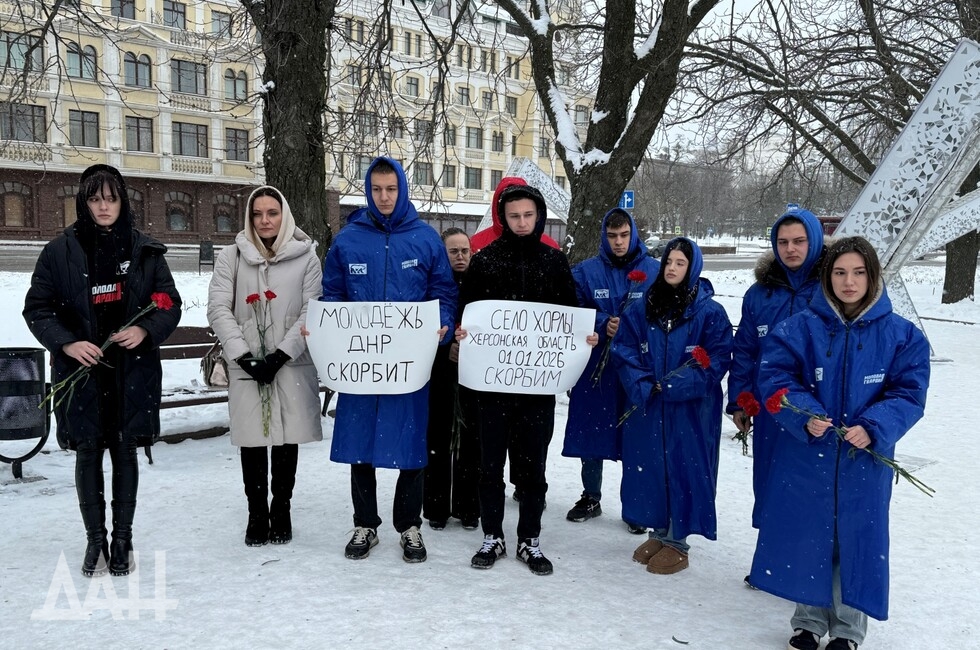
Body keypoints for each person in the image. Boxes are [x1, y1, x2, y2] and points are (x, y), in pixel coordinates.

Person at [751, 237, 929, 650]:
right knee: (809, 534)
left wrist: (874, 427)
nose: (849, 282)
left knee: (855, 538)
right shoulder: (797, 329)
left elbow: (909, 393)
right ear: (827, 277)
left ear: (873, 275)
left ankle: (848, 628)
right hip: (808, 453)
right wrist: (804, 413)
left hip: (862, 458)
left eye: (859, 272)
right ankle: (808, 620)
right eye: (840, 272)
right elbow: (775, 377)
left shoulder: (901, 335)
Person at [23, 164, 181, 577]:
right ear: (84, 202)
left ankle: (122, 538)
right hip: (82, 371)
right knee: (88, 452)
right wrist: (67, 343)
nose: (104, 207)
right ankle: (95, 539)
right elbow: (37, 308)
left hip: (130, 371)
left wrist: (144, 330)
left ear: (122, 201)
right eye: (95, 199)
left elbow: (169, 304)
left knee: (125, 450)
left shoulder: (144, 250)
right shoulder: (60, 251)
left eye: (111, 199)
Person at [321, 157, 457, 563]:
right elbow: (333, 295)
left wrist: (442, 324)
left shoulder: (425, 239)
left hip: (408, 365)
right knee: (359, 443)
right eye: (377, 189)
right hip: (362, 364)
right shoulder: (348, 240)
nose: (384, 197)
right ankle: (365, 523)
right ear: (368, 190)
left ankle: (409, 525)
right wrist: (328, 330)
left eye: (391, 189)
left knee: (411, 444)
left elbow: (443, 292)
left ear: (402, 188)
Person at [456, 183, 596, 576]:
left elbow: (569, 314)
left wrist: (582, 338)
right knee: (489, 467)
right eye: (514, 216)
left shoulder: (554, 262)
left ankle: (529, 539)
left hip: (536, 386)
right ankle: (492, 535)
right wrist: (462, 332)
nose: (521, 222)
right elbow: (466, 311)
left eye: (528, 215)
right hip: (491, 386)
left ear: (539, 217)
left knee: (533, 468)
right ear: (503, 218)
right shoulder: (485, 261)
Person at [207, 186, 323, 547]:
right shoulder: (232, 257)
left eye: (272, 213)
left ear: (283, 215)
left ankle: (281, 507)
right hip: (247, 363)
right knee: (253, 440)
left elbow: (312, 309)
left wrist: (281, 354)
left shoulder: (307, 258)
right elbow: (219, 308)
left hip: (290, 363)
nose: (264, 221)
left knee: (287, 438)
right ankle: (256, 512)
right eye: (257, 214)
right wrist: (244, 355)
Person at [610, 237, 733, 575]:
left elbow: (717, 359)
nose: (672, 268)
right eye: (668, 262)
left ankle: (678, 541)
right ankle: (659, 531)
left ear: (693, 268)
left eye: (681, 263)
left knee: (684, 467)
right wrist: (643, 383)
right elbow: (624, 349)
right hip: (650, 404)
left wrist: (674, 385)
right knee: (651, 467)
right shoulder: (645, 306)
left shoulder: (709, 312)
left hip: (690, 410)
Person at [727, 207, 826, 533]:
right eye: (783, 242)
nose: (790, 249)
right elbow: (745, 351)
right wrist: (741, 401)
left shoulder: (831, 287)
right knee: (772, 482)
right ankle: (773, 551)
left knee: (814, 488)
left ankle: (812, 556)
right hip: (771, 407)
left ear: (814, 241)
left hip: (819, 408)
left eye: (799, 241)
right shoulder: (760, 294)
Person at [561, 208, 658, 533]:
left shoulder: (654, 271)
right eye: (613, 235)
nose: (619, 242)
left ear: (633, 235)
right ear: (604, 236)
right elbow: (572, 309)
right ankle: (591, 496)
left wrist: (634, 326)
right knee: (592, 431)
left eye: (624, 235)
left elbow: (666, 311)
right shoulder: (586, 271)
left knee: (636, 436)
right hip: (596, 367)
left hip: (637, 367)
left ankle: (636, 506)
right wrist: (603, 323)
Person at [423, 228, 481, 531]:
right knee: (438, 437)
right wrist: (447, 348)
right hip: (439, 370)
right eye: (453, 251)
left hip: (474, 373)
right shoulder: (433, 285)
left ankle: (468, 506)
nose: (460, 256)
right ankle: (436, 507)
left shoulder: (481, 283)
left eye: (465, 251)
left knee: (471, 439)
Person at [469, 176, 560, 254]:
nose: (522, 224)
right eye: (514, 216)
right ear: (501, 213)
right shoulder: (475, 244)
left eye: (528, 215)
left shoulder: (551, 248)